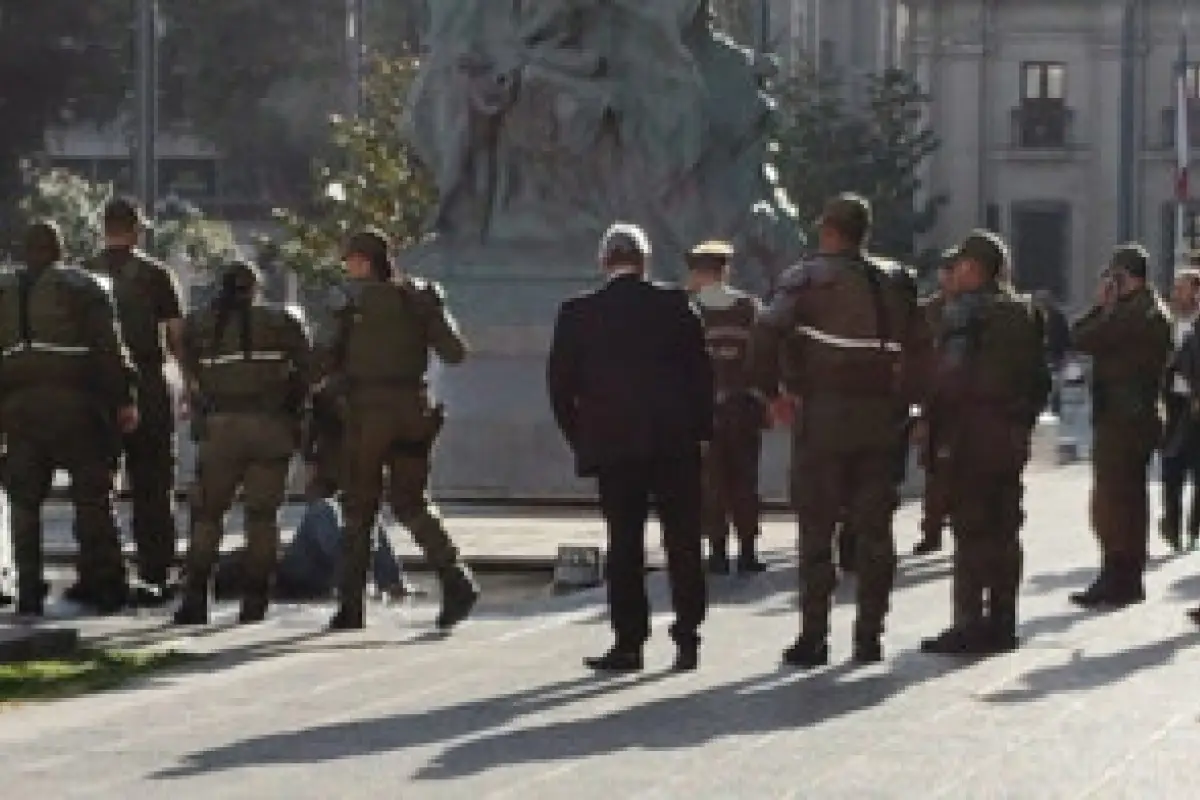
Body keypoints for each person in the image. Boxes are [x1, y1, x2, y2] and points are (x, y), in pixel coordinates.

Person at [750, 193, 929, 667]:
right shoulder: (896, 281)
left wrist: (772, 394)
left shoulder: (806, 277)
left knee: (817, 529)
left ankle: (814, 635)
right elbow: (921, 346)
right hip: (880, 420)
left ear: (829, 229)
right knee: (874, 532)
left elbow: (766, 332)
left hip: (825, 417)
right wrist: (908, 404)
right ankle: (869, 636)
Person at [547, 222, 712, 672]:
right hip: (674, 443)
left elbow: (560, 387)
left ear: (604, 261)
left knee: (625, 544)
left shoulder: (578, 314)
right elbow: (702, 376)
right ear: (645, 261)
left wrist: (582, 437)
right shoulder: (676, 305)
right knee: (682, 540)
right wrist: (701, 433)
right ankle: (687, 636)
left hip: (614, 445)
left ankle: (629, 643)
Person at [326, 230, 477, 632]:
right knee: (411, 502)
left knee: (359, 506)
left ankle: (351, 605)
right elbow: (455, 352)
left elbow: (322, 359)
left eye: (350, 260)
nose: (347, 267)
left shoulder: (348, 302)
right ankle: (455, 577)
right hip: (413, 410)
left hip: (367, 415)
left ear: (362, 261)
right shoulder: (420, 297)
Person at [917, 232, 1050, 654]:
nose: (954, 273)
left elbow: (950, 380)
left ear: (974, 269)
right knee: (1006, 530)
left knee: (971, 531)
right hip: (1008, 437)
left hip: (970, 436)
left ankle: (969, 624)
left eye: (959, 266)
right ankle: (1004, 621)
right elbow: (1041, 380)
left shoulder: (965, 313)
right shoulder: (1026, 312)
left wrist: (932, 423)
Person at [0, 221, 139, 616]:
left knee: (24, 502)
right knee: (93, 498)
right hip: (76, 406)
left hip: (19, 409)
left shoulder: (4, 291)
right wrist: (124, 399)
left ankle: (29, 591)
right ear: (60, 249)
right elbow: (107, 347)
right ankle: (106, 585)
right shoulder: (81, 287)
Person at [173, 260, 311, 624]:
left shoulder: (200, 325)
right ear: (256, 287)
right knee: (263, 519)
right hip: (271, 428)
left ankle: (196, 599)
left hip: (221, 431)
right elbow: (307, 371)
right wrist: (292, 410)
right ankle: (255, 602)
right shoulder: (283, 322)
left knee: (207, 516)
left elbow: (191, 373)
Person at [86, 198, 187, 606]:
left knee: (94, 485)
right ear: (136, 230)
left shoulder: (83, 274)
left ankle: (101, 572)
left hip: (94, 386)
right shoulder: (155, 275)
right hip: (146, 381)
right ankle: (156, 572)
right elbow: (177, 336)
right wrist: (190, 385)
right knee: (153, 481)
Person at [1069, 244, 1172, 608]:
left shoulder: (1144, 314)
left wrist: (1104, 306)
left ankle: (1122, 577)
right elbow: (1079, 335)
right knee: (1116, 502)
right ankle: (1118, 574)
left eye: (1116, 276)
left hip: (1130, 420)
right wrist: (1104, 306)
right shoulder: (1129, 310)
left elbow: (1088, 337)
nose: (1110, 283)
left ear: (1131, 277)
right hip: (1118, 417)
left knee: (1119, 503)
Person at [684, 240, 768, 575]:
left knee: (710, 482)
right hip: (743, 407)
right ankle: (747, 551)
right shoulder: (748, 307)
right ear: (725, 270)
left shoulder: (688, 308)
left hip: (703, 411)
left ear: (698, 272)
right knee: (745, 480)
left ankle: (717, 553)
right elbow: (763, 358)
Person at [912, 251, 958, 556]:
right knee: (935, 470)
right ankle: (931, 530)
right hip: (936, 402)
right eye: (947, 271)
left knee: (963, 471)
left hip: (967, 405)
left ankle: (961, 528)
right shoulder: (929, 311)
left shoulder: (979, 311)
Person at [1160, 269, 1200, 552]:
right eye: (1175, 288)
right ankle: (1171, 524)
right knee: (1171, 467)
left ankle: (1194, 526)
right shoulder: (1166, 323)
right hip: (1173, 403)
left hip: (1197, 406)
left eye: (1182, 288)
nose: (1176, 293)